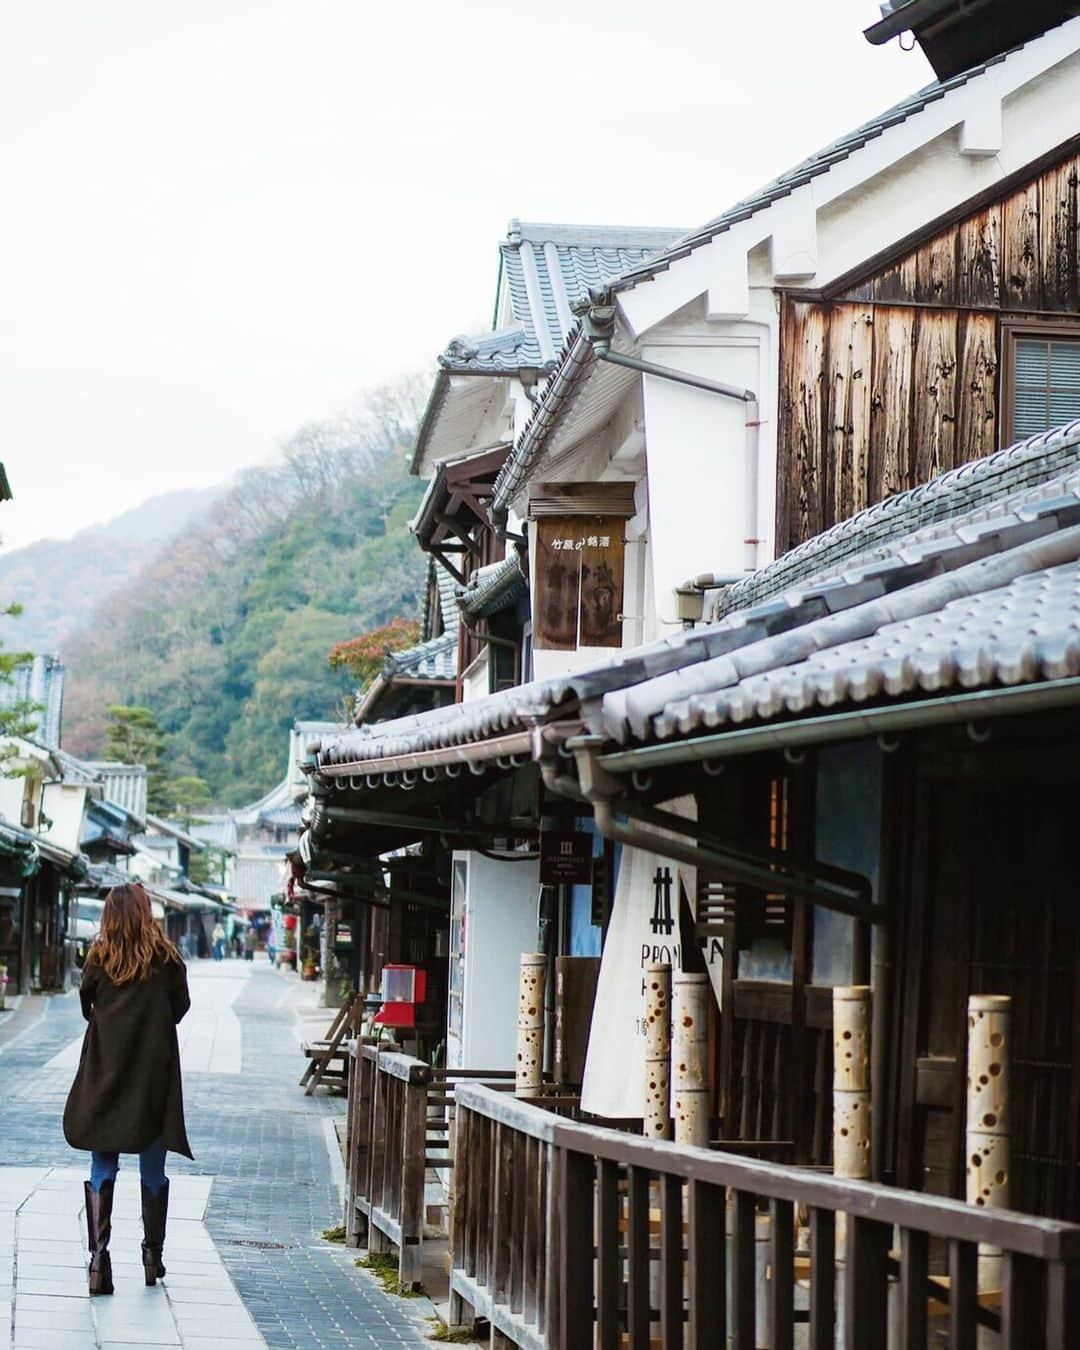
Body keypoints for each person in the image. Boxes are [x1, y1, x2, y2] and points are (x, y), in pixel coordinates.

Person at [62, 882, 193, 1296]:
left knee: (103, 1163)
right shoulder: (166, 958)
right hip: (152, 1074)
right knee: (153, 1164)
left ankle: (99, 1261)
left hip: (107, 1071)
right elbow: (180, 1007)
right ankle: (152, 1255)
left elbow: (87, 1004)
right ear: (145, 912)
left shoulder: (99, 957)